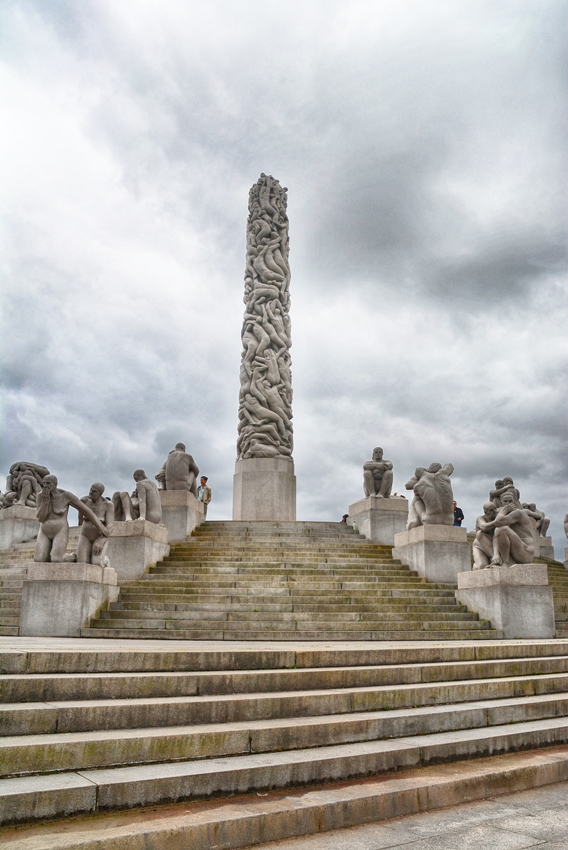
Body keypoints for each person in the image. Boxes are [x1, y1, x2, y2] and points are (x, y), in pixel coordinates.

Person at [34, 475, 110, 563]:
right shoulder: (40, 496)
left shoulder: (65, 495)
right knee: (39, 559)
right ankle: (49, 554)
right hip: (44, 530)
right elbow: (41, 518)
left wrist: (99, 525)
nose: (45, 486)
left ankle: (73, 557)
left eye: (48, 483)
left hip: (59, 529)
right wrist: (45, 501)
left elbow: (86, 510)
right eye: (43, 483)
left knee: (57, 559)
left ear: (55, 484)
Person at [77, 482, 114, 565]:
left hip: (99, 536)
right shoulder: (84, 501)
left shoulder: (108, 505)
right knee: (81, 562)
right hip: (85, 535)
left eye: (94, 491)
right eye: (90, 489)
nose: (91, 492)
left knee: (96, 562)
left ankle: (105, 559)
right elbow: (80, 519)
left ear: (100, 493)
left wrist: (102, 541)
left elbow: (110, 526)